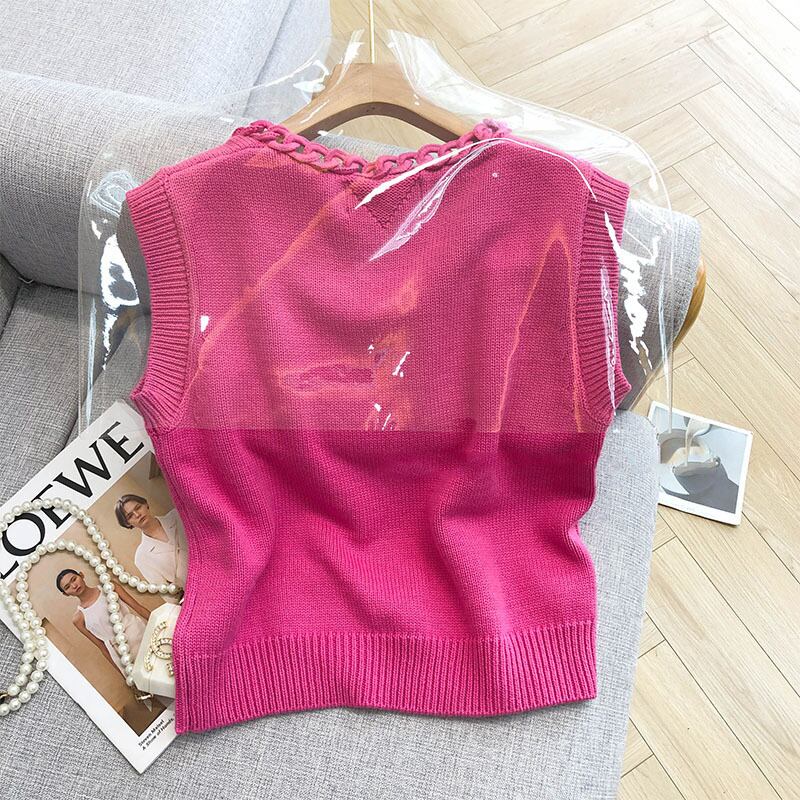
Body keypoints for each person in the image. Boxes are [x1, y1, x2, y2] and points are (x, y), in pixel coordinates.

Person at [56, 569, 149, 677]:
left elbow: (137, 607)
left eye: (74, 579)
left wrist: (163, 623)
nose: (74, 586)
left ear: (81, 575)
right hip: (123, 654)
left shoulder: (109, 587)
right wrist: (123, 674)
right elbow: (102, 647)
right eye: (67, 587)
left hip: (139, 633)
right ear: (66, 594)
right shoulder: (79, 618)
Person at [114, 494, 188, 590]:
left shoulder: (178, 515)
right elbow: (167, 593)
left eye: (138, 507)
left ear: (146, 504)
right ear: (127, 523)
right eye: (130, 516)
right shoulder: (141, 557)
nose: (137, 515)